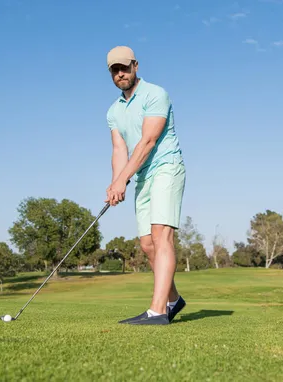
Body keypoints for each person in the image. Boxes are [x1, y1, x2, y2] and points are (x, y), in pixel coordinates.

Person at [104, 46, 187, 325]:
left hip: (165, 168)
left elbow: (147, 142)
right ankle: (174, 299)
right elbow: (119, 150)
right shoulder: (113, 111)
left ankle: (158, 310)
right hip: (141, 176)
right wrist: (117, 182)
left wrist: (124, 178)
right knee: (148, 245)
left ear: (135, 65)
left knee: (161, 236)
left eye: (124, 67)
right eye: (114, 70)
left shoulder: (155, 94)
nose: (120, 73)